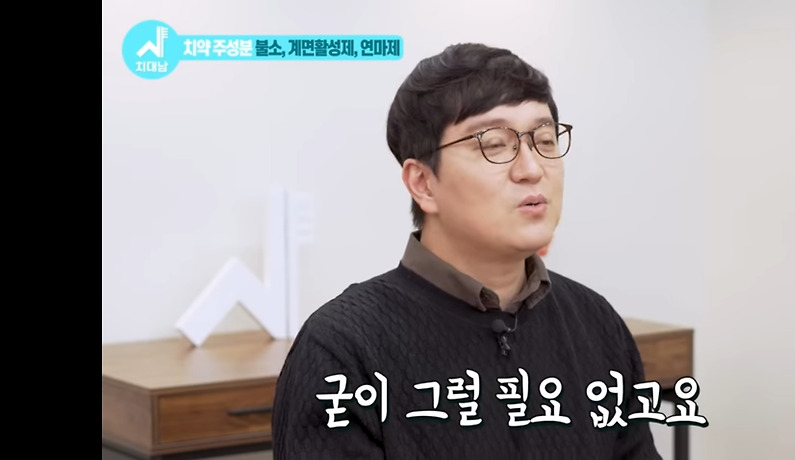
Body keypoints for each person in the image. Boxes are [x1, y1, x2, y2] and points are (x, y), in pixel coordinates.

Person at [272, 43, 662, 459]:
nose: (532, 169)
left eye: (545, 140)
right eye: (494, 144)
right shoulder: (343, 348)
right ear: (423, 183)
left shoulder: (596, 322)